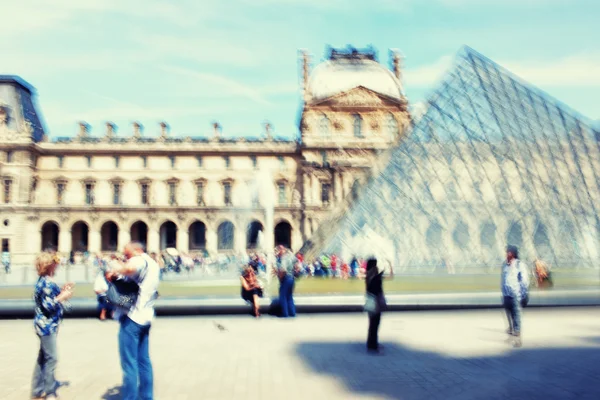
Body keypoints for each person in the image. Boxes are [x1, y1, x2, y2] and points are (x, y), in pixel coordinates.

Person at [106, 242, 160, 400]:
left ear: (137, 250)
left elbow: (129, 269)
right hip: (146, 317)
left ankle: (130, 397)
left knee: (129, 364)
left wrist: (114, 264)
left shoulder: (138, 260)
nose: (125, 255)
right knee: (144, 361)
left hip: (132, 318)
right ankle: (146, 396)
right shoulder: (152, 263)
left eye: (126, 252)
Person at [31, 252, 74, 400]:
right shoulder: (47, 283)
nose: (57, 266)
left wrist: (62, 291)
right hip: (46, 326)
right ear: (49, 266)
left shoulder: (45, 281)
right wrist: (63, 296)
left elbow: (50, 299)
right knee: (52, 358)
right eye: (55, 263)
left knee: (42, 358)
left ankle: (36, 391)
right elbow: (49, 305)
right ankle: (49, 392)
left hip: (45, 324)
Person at [501, 245, 530, 348]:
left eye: (508, 252)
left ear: (513, 253)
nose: (506, 254)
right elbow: (503, 279)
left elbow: (524, 280)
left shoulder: (519, 265)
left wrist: (522, 294)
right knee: (509, 317)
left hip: (515, 295)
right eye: (506, 252)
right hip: (506, 295)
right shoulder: (504, 265)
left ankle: (518, 340)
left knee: (516, 317)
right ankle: (511, 337)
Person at [365, 258, 386, 354]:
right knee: (375, 325)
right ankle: (373, 346)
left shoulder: (369, 276)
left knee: (372, 325)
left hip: (371, 303)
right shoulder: (374, 277)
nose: (377, 266)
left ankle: (371, 344)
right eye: (375, 265)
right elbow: (376, 289)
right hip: (375, 303)